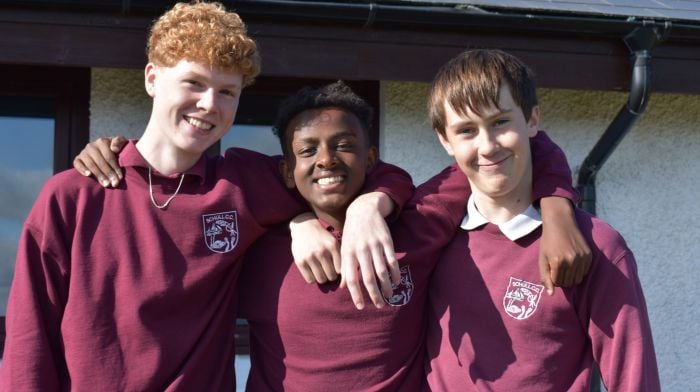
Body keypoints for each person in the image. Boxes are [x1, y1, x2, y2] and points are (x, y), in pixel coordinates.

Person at [74, 78, 587, 390]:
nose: (326, 160)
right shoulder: (254, 242)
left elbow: (516, 147)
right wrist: (122, 155)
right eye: (307, 150)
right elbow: (187, 191)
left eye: (344, 146)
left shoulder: (417, 225)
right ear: (285, 168)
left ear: (370, 159)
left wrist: (559, 207)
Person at [0, 2, 411, 391]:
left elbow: (359, 173)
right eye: (193, 83)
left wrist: (363, 208)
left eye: (227, 92)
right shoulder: (73, 195)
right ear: (152, 78)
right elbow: (28, 337)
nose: (209, 104)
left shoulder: (241, 182)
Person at [423, 49, 660, 390]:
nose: (487, 146)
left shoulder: (597, 246)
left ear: (532, 120)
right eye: (466, 131)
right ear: (445, 140)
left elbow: (635, 380)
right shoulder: (430, 235)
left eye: (501, 122)